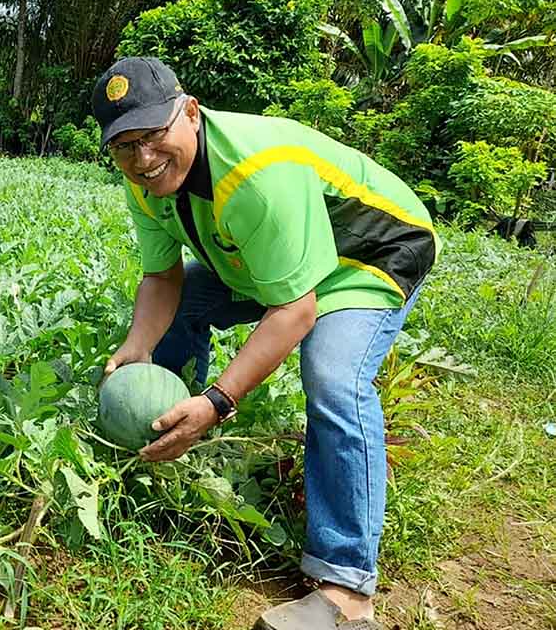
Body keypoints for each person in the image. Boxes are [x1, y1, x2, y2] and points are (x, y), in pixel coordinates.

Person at [93, 57, 438, 630]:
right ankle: (158, 435)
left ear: (191, 113)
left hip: (369, 254)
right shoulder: (145, 182)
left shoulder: (256, 172)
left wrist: (218, 400)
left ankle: (347, 590)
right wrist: (137, 348)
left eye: (153, 136)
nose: (143, 159)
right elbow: (162, 278)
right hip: (272, 261)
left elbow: (295, 310)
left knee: (334, 375)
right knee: (185, 304)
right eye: (124, 146)